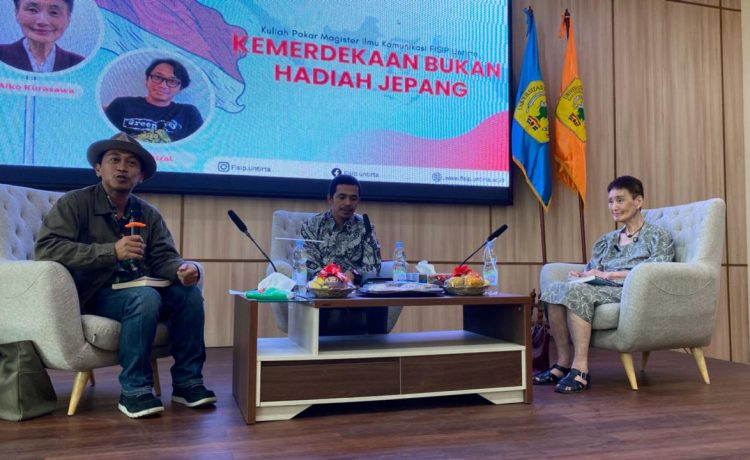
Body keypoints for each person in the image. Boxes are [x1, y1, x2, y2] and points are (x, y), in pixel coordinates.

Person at [35, 132, 216, 418]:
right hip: (96, 294)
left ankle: (187, 383)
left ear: (140, 175)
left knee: (188, 294)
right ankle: (135, 389)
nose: (122, 168)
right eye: (114, 160)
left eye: (131, 163)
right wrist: (111, 252)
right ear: (98, 168)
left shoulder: (148, 213)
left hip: (141, 289)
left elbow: (163, 257)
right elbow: (47, 249)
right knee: (144, 298)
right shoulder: (74, 203)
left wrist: (181, 269)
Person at [533, 176, 675, 394]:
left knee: (578, 292)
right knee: (554, 290)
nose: (614, 207)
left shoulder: (658, 236)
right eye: (610, 201)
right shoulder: (606, 241)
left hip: (631, 291)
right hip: (600, 287)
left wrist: (608, 274)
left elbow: (657, 271)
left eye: (620, 200)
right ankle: (562, 364)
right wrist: (582, 274)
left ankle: (581, 370)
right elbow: (593, 269)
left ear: (638, 201)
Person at [301, 173, 387, 335]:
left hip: (355, 288)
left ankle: (377, 348)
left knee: (378, 300)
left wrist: (353, 275)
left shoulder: (365, 226)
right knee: (320, 303)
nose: (348, 203)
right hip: (322, 289)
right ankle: (318, 350)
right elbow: (309, 263)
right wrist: (333, 279)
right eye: (342, 197)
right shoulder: (312, 225)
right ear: (330, 199)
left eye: (353, 198)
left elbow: (373, 266)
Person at [105, 58, 204, 143]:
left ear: (180, 88)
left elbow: (200, 146)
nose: (162, 85)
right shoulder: (122, 105)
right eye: (157, 77)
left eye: (172, 81)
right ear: (147, 80)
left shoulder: (188, 113)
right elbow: (104, 137)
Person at [0, 0, 84, 72]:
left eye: (54, 12)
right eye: (32, 10)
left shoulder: (80, 65)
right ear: (16, 13)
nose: (42, 21)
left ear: (68, 19)